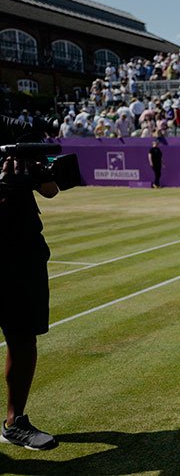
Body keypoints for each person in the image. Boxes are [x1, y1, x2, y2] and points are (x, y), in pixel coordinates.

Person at [0, 118, 59, 450]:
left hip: (23, 252)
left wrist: (35, 168)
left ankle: (15, 422)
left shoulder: (17, 134)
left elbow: (51, 189)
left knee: (22, 337)